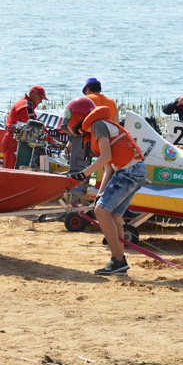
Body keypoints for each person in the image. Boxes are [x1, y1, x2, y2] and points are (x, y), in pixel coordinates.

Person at [63, 97, 146, 275]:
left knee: (101, 212)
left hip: (129, 171)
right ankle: (120, 263)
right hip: (135, 170)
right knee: (114, 215)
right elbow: (108, 168)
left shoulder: (98, 125)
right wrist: (100, 194)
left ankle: (117, 261)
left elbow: (106, 157)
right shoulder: (98, 128)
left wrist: (82, 174)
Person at [1, 86, 60, 169]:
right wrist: (53, 141)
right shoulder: (25, 106)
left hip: (15, 139)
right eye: (40, 98)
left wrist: (47, 134)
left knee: (16, 169)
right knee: (10, 170)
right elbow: (35, 127)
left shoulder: (26, 104)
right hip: (13, 140)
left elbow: (37, 123)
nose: (41, 101)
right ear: (33, 96)